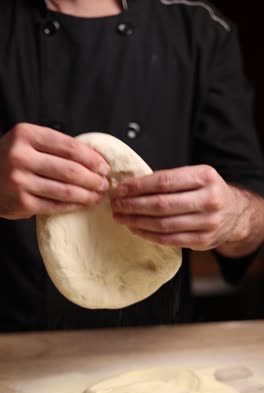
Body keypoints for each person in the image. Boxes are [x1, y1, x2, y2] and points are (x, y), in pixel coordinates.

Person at [0, 0, 264, 332]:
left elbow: (255, 217)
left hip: (154, 350)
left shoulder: (199, 28)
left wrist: (236, 217)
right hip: (10, 348)